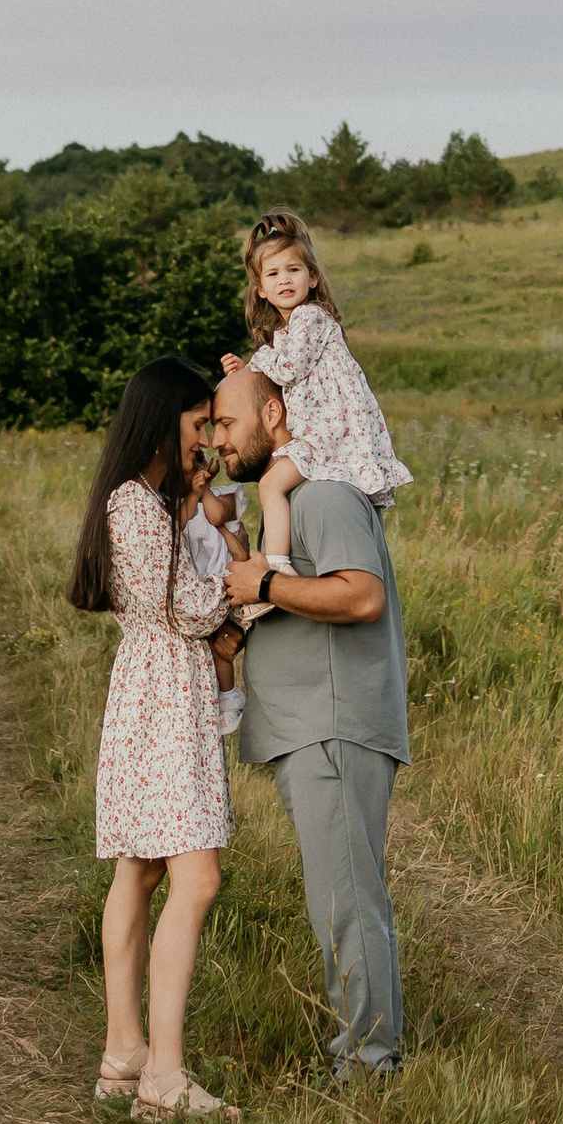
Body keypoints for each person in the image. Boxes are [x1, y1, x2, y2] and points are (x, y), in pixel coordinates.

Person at [212, 358, 409, 1076]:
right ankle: (366, 1050)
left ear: (273, 416)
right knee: (342, 896)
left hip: (333, 726)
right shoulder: (285, 503)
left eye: (227, 424)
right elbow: (286, 592)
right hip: (312, 727)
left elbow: (360, 596)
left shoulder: (324, 494)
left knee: (347, 901)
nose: (218, 443)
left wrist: (263, 579)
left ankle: (369, 1064)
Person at [68, 355, 241, 1123]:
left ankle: (124, 1054)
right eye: (198, 422)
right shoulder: (132, 506)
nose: (206, 437)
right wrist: (254, 584)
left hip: (149, 692)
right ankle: (163, 1077)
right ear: (161, 420)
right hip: (166, 694)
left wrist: (196, 513)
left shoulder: (143, 503)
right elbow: (191, 612)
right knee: (194, 878)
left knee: (138, 872)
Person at [234, 211, 411, 635]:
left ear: (313, 277)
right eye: (273, 273)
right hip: (325, 429)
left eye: (293, 269)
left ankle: (274, 569)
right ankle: (274, 566)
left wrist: (255, 360)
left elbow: (289, 369)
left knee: (272, 484)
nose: (284, 280)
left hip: (330, 432)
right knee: (275, 482)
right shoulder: (289, 329)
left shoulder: (311, 319)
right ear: (261, 288)